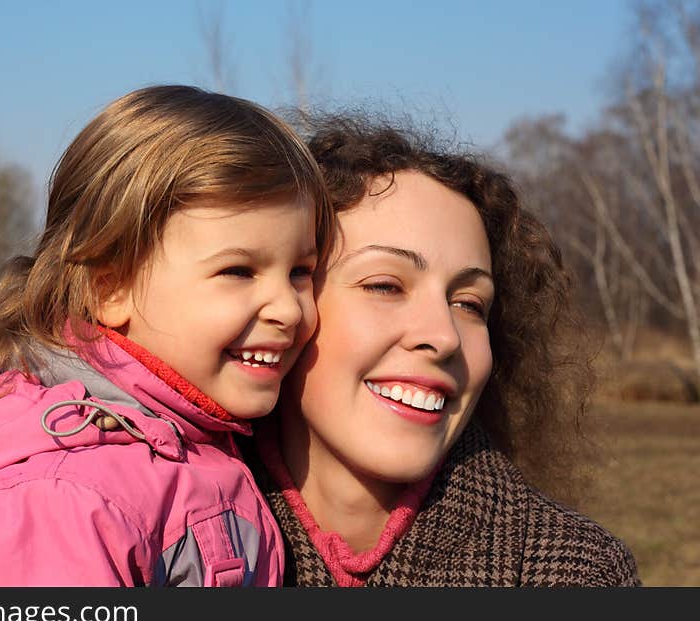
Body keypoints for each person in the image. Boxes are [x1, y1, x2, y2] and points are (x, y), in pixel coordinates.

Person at [0, 85, 334, 586]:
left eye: (301, 271)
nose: (288, 309)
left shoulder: (193, 436)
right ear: (109, 288)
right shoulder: (61, 502)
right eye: (238, 271)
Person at [239, 114, 641, 586]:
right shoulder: (156, 529)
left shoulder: (577, 572)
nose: (445, 335)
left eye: (469, 303)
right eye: (386, 285)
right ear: (286, 307)